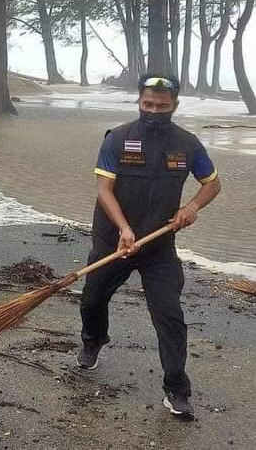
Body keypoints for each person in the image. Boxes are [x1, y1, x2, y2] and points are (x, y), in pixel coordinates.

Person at [78, 74, 221, 420]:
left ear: (174, 105)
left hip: (158, 246)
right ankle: (93, 341)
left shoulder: (188, 144)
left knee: (170, 316)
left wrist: (191, 208)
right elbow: (104, 191)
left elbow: (213, 184)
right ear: (139, 101)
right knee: (93, 299)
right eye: (147, 104)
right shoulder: (118, 138)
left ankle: (177, 389)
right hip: (114, 240)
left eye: (161, 106)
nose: (154, 111)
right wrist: (124, 229)